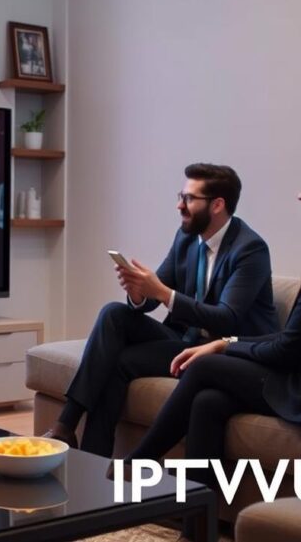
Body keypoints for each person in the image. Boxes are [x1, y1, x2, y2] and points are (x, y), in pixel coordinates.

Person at [124, 153, 301, 541]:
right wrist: (227, 343)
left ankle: (133, 468)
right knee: (208, 402)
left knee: (204, 370)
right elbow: (295, 338)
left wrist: (223, 348)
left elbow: (289, 350)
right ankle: (198, 529)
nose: (299, 196)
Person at [43, 163, 280, 456]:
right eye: (180, 196)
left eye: (189, 199)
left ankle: (91, 455)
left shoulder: (250, 249)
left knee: (118, 364)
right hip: (186, 340)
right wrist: (139, 292)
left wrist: (162, 292)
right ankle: (69, 431)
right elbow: (156, 295)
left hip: (224, 352)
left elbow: (227, 318)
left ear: (218, 204)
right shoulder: (187, 238)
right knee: (113, 313)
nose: (179, 205)